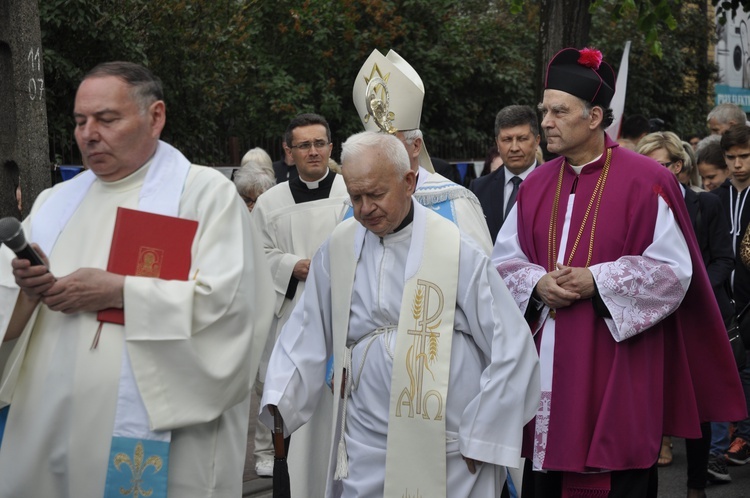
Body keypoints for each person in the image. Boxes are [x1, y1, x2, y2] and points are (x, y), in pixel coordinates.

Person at [0, 61, 273, 497]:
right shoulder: (54, 202)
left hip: (158, 437)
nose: (89, 133)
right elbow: (5, 306)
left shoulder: (203, 195)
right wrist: (26, 296)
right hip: (49, 434)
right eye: (80, 121)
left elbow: (232, 308)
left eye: (107, 119)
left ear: (156, 117)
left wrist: (120, 290)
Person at [492, 47, 746, 498]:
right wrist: (536, 282)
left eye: (558, 111)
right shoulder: (534, 185)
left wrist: (599, 280)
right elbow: (502, 262)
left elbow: (673, 272)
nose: (546, 121)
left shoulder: (648, 180)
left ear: (593, 117)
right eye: (544, 110)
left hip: (617, 366)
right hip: (546, 369)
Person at [260, 131, 540, 498]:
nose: (364, 208)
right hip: (365, 432)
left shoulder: (455, 249)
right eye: (355, 197)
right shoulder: (340, 246)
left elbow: (511, 346)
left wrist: (484, 430)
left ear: (408, 181)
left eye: (375, 194)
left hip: (447, 437)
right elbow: (308, 328)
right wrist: (281, 397)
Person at [250, 113, 349, 491]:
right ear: (288, 153)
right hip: (291, 313)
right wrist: (293, 265)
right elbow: (256, 253)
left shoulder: (351, 191)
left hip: (342, 314)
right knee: (291, 401)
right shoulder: (270, 202)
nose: (313, 152)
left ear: (331, 147)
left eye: (320, 143)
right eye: (304, 145)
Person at [637, 131, 734, 496]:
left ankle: (696, 487)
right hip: (653, 320)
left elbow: (723, 258)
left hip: (697, 315)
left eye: (658, 164)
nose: (650, 172)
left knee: (698, 407)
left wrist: (695, 291)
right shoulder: (638, 204)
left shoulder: (705, 204)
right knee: (647, 405)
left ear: (678, 167)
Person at [352, 48, 493, 254]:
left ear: (416, 145)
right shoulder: (354, 206)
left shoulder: (455, 202)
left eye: (391, 141)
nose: (380, 153)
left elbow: (481, 276)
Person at [710, 124, 750, 478]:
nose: (738, 164)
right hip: (725, 300)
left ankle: (744, 437)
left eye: (745, 156)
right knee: (726, 370)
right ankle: (721, 449)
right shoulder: (717, 197)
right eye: (731, 157)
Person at [470, 105, 541, 243]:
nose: (514, 148)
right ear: (497, 143)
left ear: (537, 141)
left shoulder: (556, 186)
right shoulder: (478, 189)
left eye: (522, 139)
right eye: (507, 140)